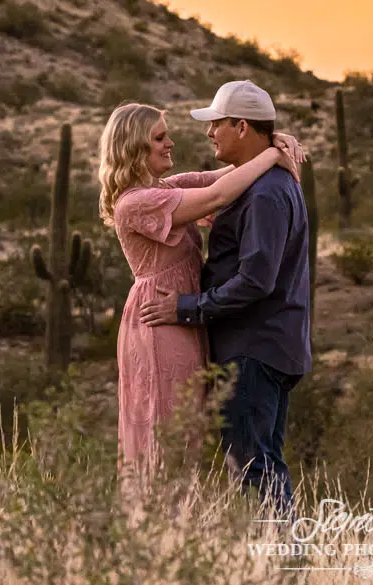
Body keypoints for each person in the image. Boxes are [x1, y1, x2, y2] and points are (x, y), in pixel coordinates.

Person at [100, 100, 300, 477]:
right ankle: (156, 522)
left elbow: (223, 176)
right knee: (164, 424)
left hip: (184, 313)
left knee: (185, 427)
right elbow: (218, 196)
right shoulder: (136, 204)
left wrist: (271, 142)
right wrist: (273, 154)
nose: (170, 143)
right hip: (161, 316)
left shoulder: (164, 189)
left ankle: (176, 526)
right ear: (133, 147)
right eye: (159, 138)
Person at [138, 79, 312, 511]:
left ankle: (279, 563)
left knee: (252, 466)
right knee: (262, 462)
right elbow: (202, 188)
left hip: (254, 348)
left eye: (216, 124)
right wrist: (276, 146)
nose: (209, 133)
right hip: (265, 344)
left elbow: (255, 281)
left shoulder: (267, 193)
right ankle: (284, 562)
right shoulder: (258, 184)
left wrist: (185, 308)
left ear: (241, 127)